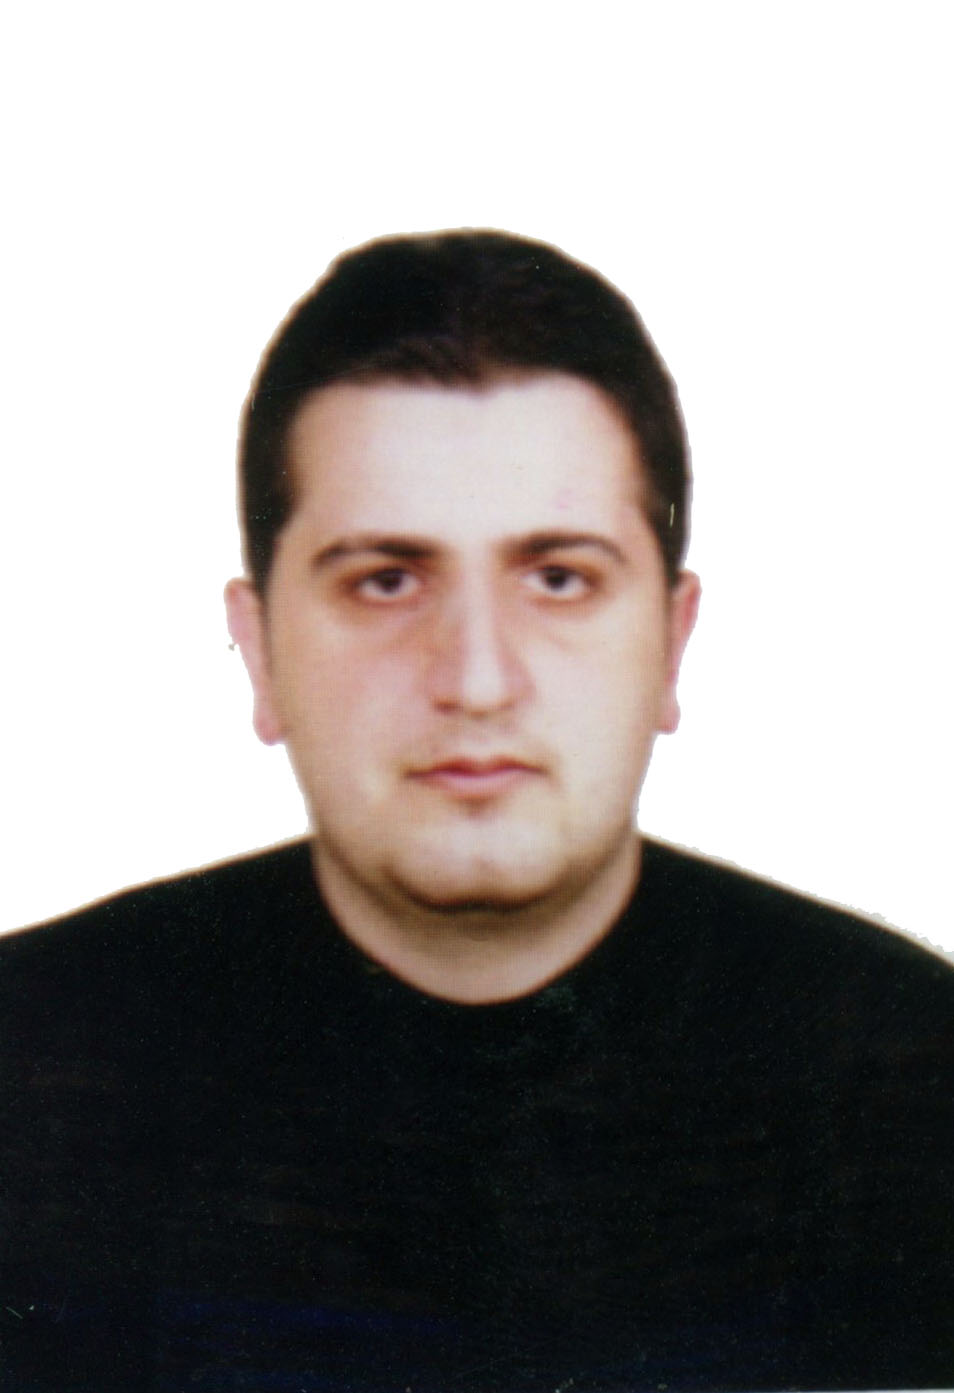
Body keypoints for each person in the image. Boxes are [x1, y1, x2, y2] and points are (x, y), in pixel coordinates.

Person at [2, 231, 952, 1392]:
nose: (478, 678)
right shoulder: (29, 1072)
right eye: (385, 580)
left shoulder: (913, 1083)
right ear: (259, 651)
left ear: (670, 643)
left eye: (558, 578)